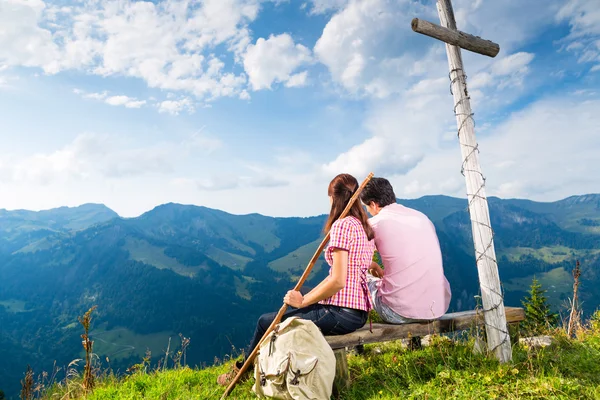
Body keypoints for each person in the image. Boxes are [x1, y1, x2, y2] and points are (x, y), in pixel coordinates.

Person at [218, 173, 375, 386]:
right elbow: (339, 277)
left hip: (341, 313)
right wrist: (309, 297)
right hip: (359, 313)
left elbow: (338, 281)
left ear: (334, 198)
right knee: (287, 314)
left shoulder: (342, 226)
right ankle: (253, 368)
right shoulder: (363, 227)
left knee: (266, 322)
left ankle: (241, 374)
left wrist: (303, 301)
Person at [360, 177, 451, 324]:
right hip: (437, 309)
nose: (368, 211)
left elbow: (355, 262)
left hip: (397, 313)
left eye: (366, 207)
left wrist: (372, 266)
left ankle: (354, 331)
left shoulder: (374, 224)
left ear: (373, 204)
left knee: (365, 278)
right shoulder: (422, 217)